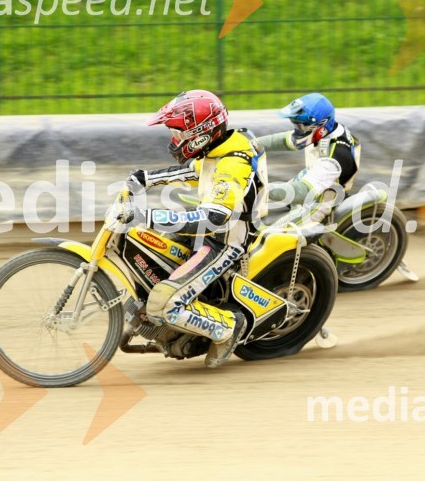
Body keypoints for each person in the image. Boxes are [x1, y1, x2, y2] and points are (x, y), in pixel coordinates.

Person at [128, 89, 267, 368]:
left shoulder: (233, 162)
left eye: (178, 134)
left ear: (200, 133)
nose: (174, 140)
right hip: (206, 231)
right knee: (149, 256)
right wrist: (143, 179)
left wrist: (148, 216)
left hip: (226, 241)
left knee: (163, 302)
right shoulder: (216, 149)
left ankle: (228, 327)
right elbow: (193, 172)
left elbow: (215, 217)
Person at [257, 93, 360, 223]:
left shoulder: (335, 156)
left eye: (300, 126)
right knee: (274, 195)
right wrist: (250, 144)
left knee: (277, 231)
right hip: (315, 178)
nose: (297, 130)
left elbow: (304, 192)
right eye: (295, 125)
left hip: (323, 199)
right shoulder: (331, 130)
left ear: (321, 125)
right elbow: (285, 141)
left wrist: (262, 190)